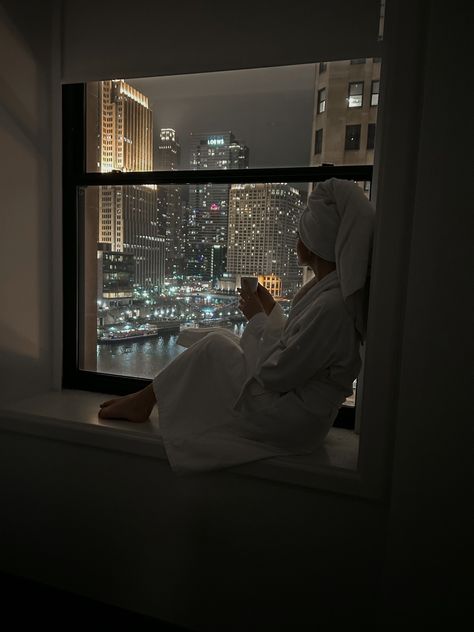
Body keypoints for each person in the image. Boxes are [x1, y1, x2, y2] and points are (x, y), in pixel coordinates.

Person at [98, 178, 375, 474]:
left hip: (291, 422)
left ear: (316, 243)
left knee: (216, 346)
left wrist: (257, 318)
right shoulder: (326, 294)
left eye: (301, 232)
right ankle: (146, 398)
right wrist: (269, 307)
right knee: (221, 336)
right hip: (298, 412)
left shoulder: (331, 307)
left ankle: (143, 401)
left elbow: (276, 374)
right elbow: (295, 349)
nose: (296, 239)